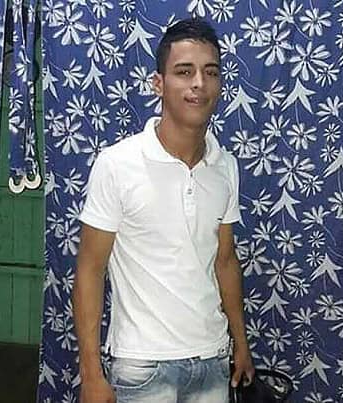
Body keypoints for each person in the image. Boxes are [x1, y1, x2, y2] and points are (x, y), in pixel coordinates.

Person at [72, 17, 254, 403]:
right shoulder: (117, 164)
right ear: (159, 83)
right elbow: (90, 269)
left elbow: (225, 260)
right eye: (184, 72)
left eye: (210, 72)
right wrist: (90, 374)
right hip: (142, 366)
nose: (199, 83)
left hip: (212, 361)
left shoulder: (225, 166)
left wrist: (241, 342)